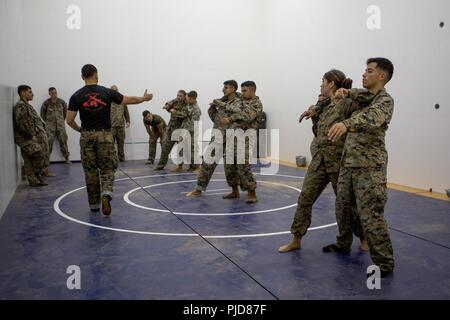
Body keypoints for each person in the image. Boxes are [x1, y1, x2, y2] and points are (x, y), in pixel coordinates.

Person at [278, 69, 374, 253]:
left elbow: (367, 102)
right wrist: (314, 116)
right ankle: (296, 238)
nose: (320, 84)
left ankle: (363, 238)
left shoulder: (346, 103)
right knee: (305, 198)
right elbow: (320, 133)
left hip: (339, 163)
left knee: (348, 204)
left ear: (331, 84)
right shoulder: (324, 104)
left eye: (323, 81)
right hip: (320, 161)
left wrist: (349, 92)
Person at [324, 58, 395, 277]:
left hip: (369, 168)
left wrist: (346, 124)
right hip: (349, 163)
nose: (364, 74)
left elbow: (371, 118)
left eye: (370, 71)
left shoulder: (385, 101)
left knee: (371, 215)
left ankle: (384, 262)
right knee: (342, 207)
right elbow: (355, 94)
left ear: (381, 76)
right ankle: (343, 242)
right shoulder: (361, 96)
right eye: (365, 70)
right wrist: (345, 93)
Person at [66, 64, 153, 215]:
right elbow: (129, 100)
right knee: (107, 168)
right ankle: (106, 193)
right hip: (105, 135)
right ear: (96, 75)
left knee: (90, 171)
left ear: (82, 77)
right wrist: (144, 99)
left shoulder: (76, 96)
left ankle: (94, 205)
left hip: (87, 136)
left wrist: (81, 130)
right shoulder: (107, 92)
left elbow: (69, 120)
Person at [186, 80, 243, 197]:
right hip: (218, 137)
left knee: (230, 167)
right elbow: (216, 119)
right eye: (224, 87)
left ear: (233, 88)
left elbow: (239, 113)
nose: (223, 89)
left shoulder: (240, 101)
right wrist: (212, 109)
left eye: (226, 87)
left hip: (232, 138)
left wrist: (221, 104)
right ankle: (199, 188)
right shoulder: (223, 101)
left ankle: (235, 191)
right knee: (207, 163)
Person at [219, 81, 263, 203]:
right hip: (232, 135)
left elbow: (246, 116)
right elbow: (232, 105)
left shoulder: (256, 104)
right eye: (242, 90)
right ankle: (235, 191)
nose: (242, 93)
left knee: (243, 166)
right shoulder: (241, 101)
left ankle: (252, 193)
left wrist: (230, 118)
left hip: (246, 137)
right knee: (229, 165)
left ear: (252, 91)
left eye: (244, 91)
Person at [13, 85, 50, 187]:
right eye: (29, 92)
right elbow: (20, 124)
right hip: (24, 138)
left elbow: (32, 121)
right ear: (22, 93)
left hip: (28, 136)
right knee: (39, 153)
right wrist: (30, 136)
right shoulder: (21, 106)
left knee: (28, 159)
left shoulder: (27, 106)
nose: (32, 94)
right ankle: (36, 176)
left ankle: (35, 181)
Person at [154, 90, 189, 170]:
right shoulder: (175, 101)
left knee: (180, 150)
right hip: (171, 130)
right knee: (165, 148)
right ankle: (160, 165)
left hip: (180, 131)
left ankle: (180, 166)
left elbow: (184, 115)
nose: (178, 97)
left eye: (180, 96)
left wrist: (174, 111)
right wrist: (167, 106)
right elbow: (168, 104)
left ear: (184, 97)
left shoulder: (186, 105)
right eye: (177, 95)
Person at [40, 87, 71, 164]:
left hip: (60, 126)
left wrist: (61, 121)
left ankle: (67, 158)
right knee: (48, 143)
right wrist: (48, 122)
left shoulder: (62, 102)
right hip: (50, 128)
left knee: (63, 142)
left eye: (55, 92)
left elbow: (65, 113)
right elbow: (42, 114)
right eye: (52, 93)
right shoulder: (46, 103)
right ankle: (46, 160)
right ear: (49, 94)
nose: (54, 94)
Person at [176, 90, 202, 172]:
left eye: (188, 99)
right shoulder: (188, 105)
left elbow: (193, 124)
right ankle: (180, 166)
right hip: (184, 130)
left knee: (193, 149)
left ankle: (196, 167)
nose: (186, 100)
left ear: (193, 98)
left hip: (191, 132)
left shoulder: (196, 109)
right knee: (180, 148)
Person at [110, 85, 130, 162]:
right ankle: (112, 159)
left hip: (121, 125)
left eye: (116, 90)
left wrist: (128, 121)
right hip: (111, 126)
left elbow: (126, 112)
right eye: (113, 90)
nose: (115, 92)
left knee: (121, 143)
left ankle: (121, 158)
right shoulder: (108, 101)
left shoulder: (122, 100)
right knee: (110, 144)